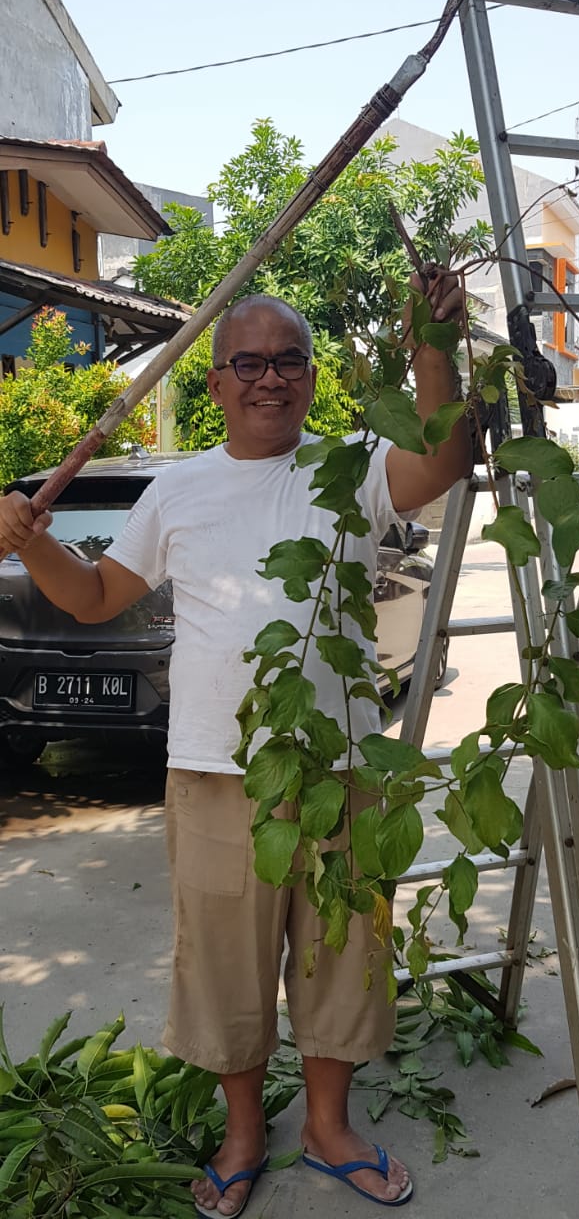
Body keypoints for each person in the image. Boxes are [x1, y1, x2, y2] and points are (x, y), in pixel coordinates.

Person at [0, 276, 472, 1217]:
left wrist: (432, 345)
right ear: (215, 384)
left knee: (341, 950)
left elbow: (442, 460)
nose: (269, 378)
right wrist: (33, 541)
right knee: (225, 960)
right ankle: (245, 1131)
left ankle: (332, 1126)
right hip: (217, 766)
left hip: (341, 767)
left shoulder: (352, 468)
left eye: (287, 360)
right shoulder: (176, 490)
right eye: (247, 362)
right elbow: (96, 597)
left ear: (308, 377)